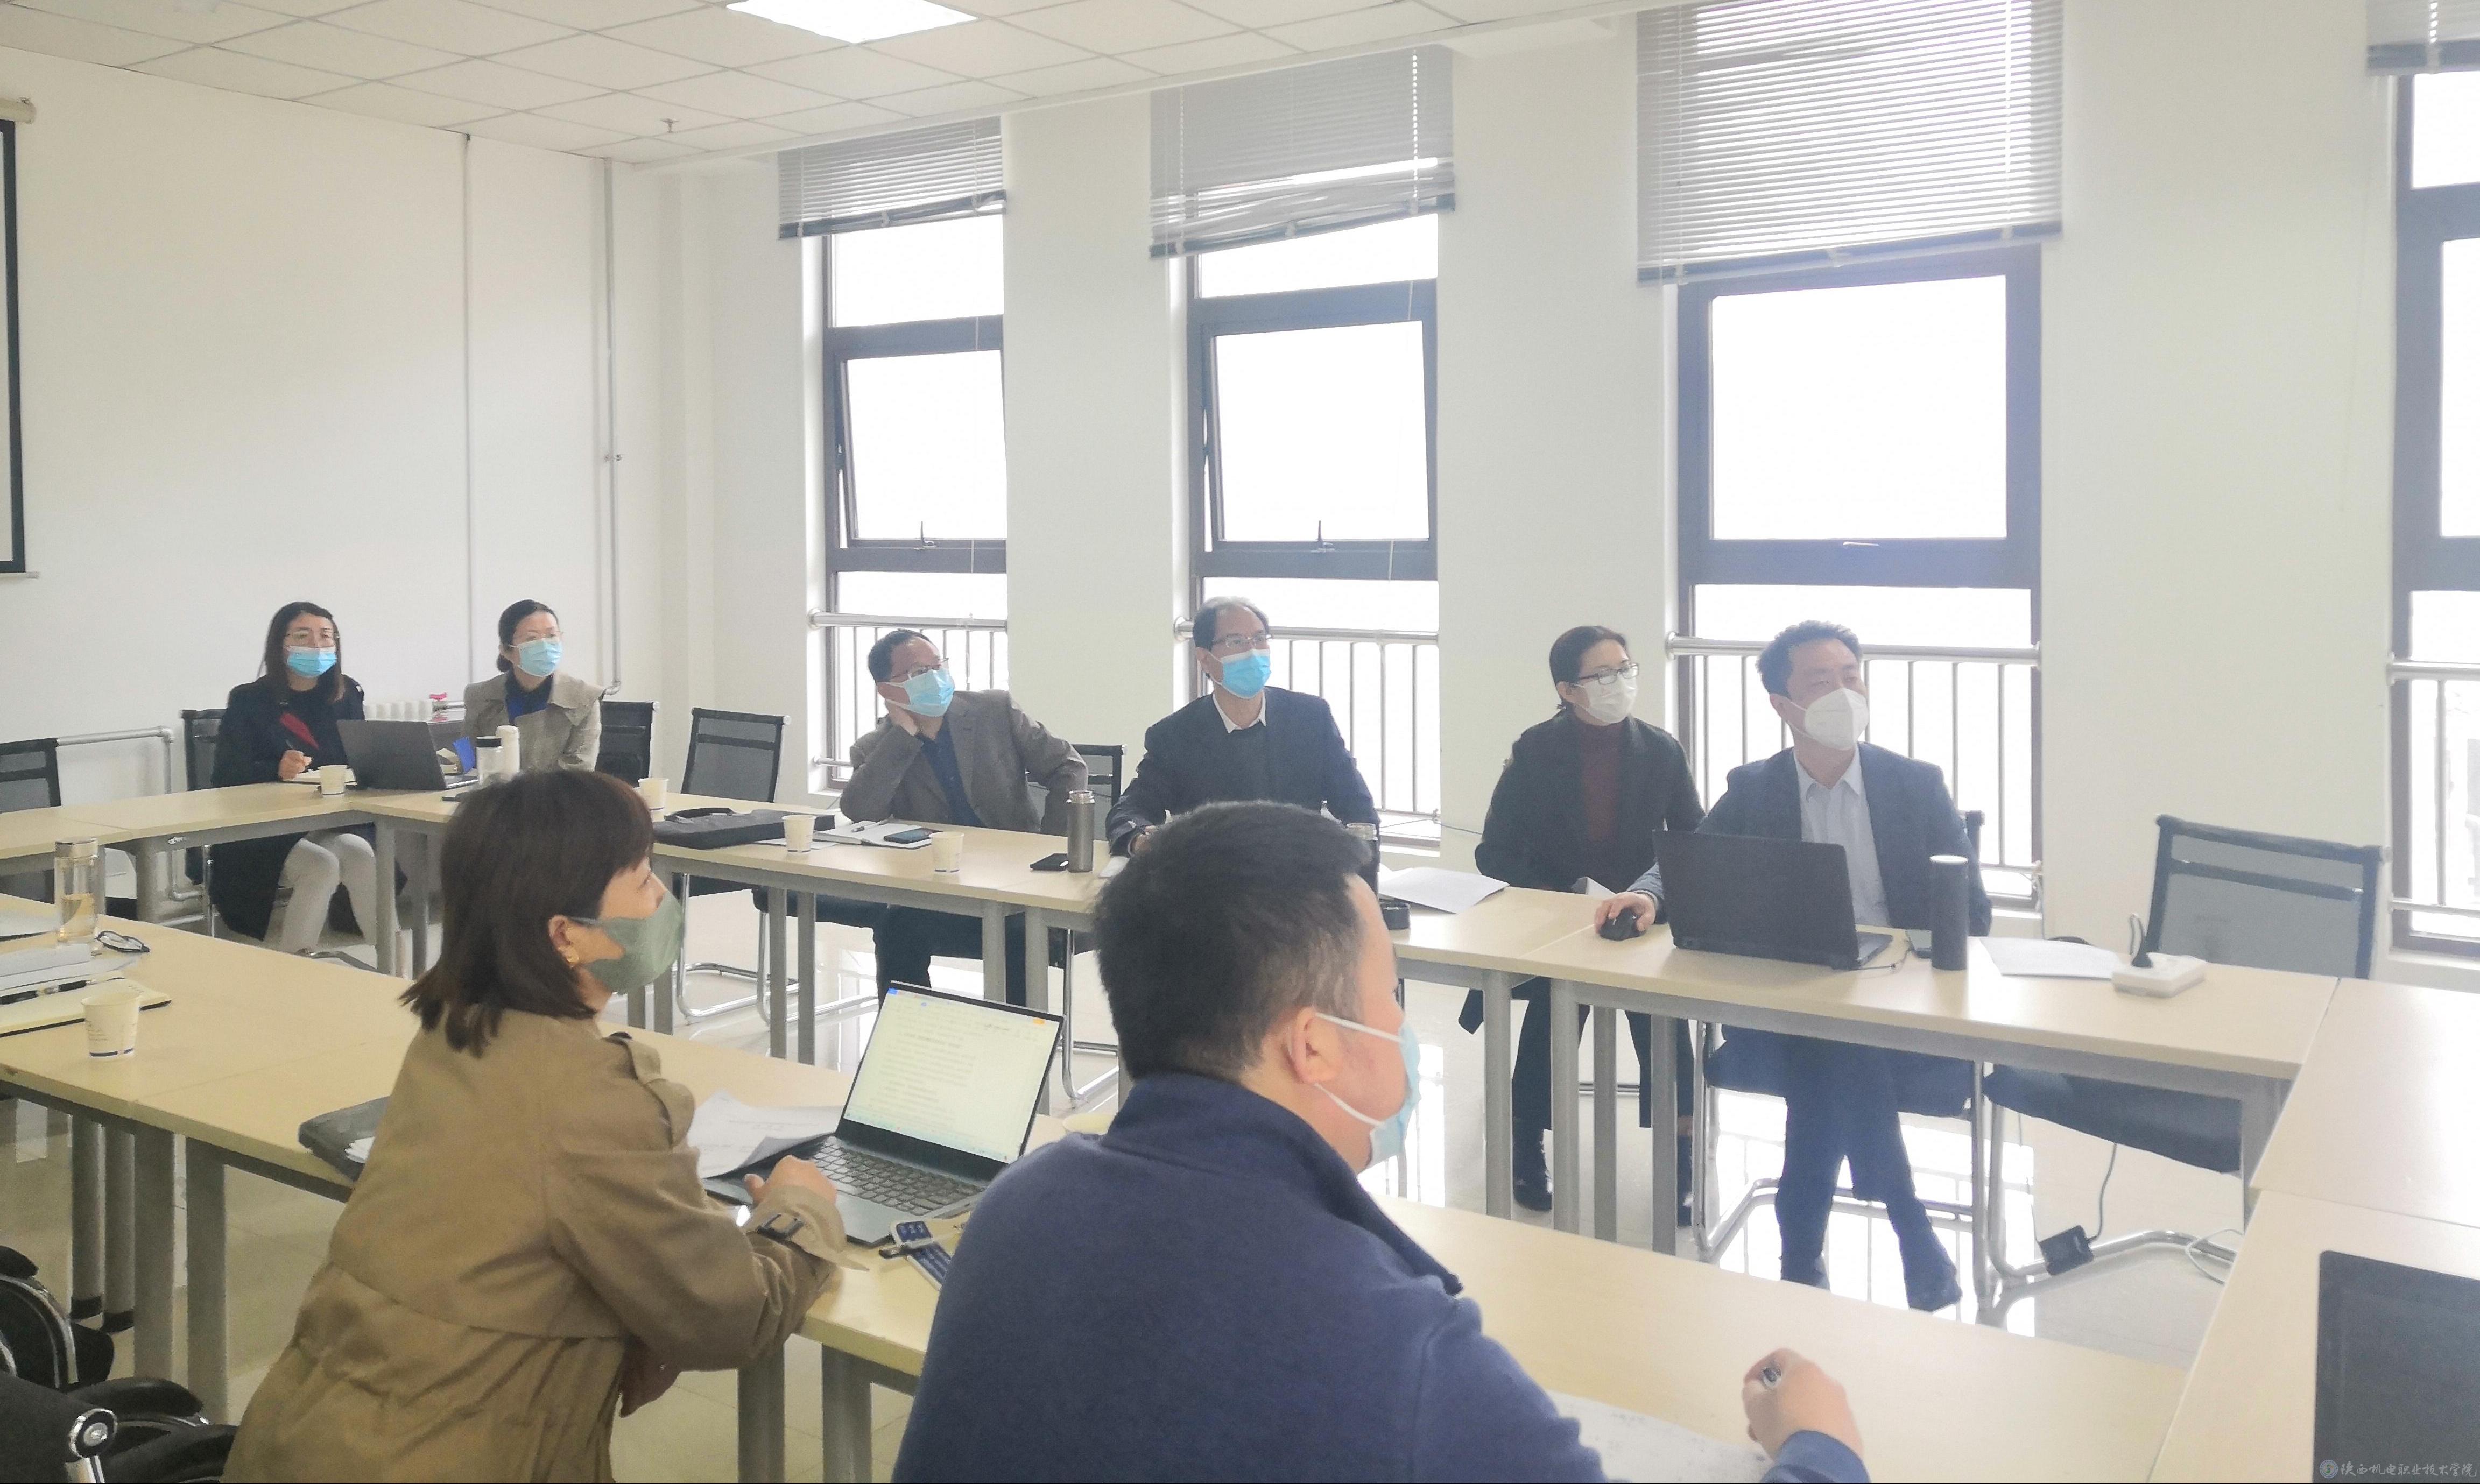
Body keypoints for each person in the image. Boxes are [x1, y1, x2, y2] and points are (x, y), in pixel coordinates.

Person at [892, 802, 1869, 1484]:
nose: (1401, 1022)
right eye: (1389, 993)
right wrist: (1821, 1447)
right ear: (1314, 1044)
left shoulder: (1018, 1203)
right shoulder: (1398, 1348)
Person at [225, 771, 860, 1483]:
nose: (662, 898)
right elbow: (732, 1317)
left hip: (307, 1434)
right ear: (565, 935)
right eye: (642, 880)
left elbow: (519, 1247)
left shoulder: (454, 1033)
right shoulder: (590, 1096)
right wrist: (798, 1208)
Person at [1600, 621, 1990, 1311]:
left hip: (1899, 1007)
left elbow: (1975, 912)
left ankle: (1801, 1249)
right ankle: (1908, 1225)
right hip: (1791, 1001)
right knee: (1835, 1049)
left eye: (1851, 676)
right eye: (1821, 681)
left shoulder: (1915, 785)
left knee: (1834, 1057)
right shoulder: (1756, 788)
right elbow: (1693, 858)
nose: (1844, 692)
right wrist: (1648, 894)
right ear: (1783, 704)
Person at [1463, 626, 1704, 1216]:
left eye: (1626, 668)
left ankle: (1681, 1154)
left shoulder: (1661, 750)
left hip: (1643, 917)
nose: (1620, 683)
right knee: (1551, 1008)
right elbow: (1494, 852)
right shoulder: (1535, 750)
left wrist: (1649, 896)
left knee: (1664, 1020)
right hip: (1562, 919)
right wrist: (1566, 897)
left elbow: (1693, 841)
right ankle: (1527, 1144)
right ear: (1568, 690)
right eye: (1603, 675)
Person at [841, 628, 1087, 1005]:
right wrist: (905, 735)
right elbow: (860, 811)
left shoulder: (994, 711)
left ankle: (1016, 1039)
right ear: (888, 690)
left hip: (1018, 887)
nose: (936, 677)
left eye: (938, 666)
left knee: (1018, 935)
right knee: (895, 925)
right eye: (920, 672)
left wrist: (1049, 847)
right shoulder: (875, 748)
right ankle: (908, 1033)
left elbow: (1068, 767)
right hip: (943, 891)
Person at [1105, 597, 1378, 856]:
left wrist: (1353, 865)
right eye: (1236, 641)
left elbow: (1358, 806)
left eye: (1259, 639)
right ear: (1204, 658)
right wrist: (1140, 840)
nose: (1252, 651)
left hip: (1298, 871)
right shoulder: (1175, 735)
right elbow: (1130, 810)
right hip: (1214, 875)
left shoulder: (1310, 718)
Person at [208, 602, 385, 952]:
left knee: (360, 853)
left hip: (326, 820)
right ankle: (295, 970)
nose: (317, 645)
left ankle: (397, 969)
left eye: (326, 636)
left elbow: (358, 756)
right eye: (303, 636)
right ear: (281, 644)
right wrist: (274, 769)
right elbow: (225, 775)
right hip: (262, 828)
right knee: (321, 866)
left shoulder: (347, 694)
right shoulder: (249, 700)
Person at [463, 599, 603, 772]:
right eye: (532, 638)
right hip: (492, 789)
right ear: (506, 651)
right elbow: (467, 759)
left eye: (551, 636)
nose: (544, 646)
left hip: (557, 790)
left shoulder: (584, 698)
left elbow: (579, 771)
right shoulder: (479, 696)